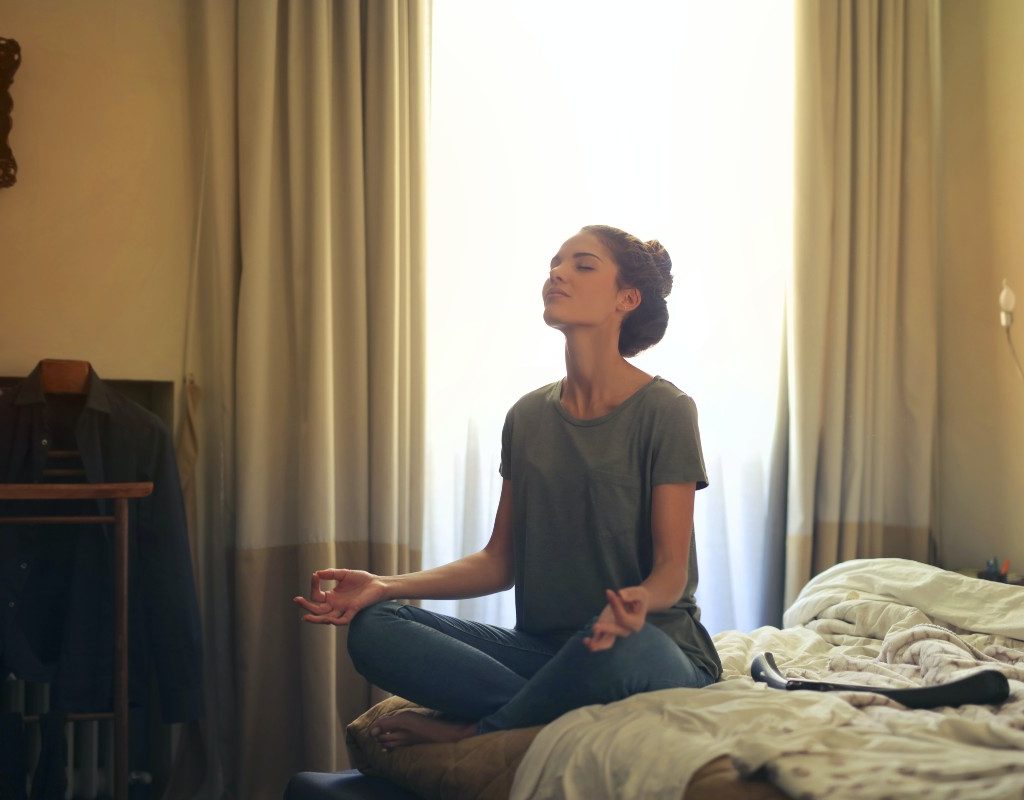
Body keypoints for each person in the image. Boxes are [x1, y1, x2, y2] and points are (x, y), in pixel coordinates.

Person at [292, 224, 721, 750]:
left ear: (626, 299)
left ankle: (479, 730)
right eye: (554, 264)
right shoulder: (526, 416)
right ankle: (544, 709)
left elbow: (672, 570)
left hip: (645, 645)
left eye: (582, 265)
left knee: (620, 651)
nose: (557, 274)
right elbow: (499, 562)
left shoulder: (667, 411)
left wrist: (638, 599)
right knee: (377, 627)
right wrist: (386, 585)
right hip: (542, 651)